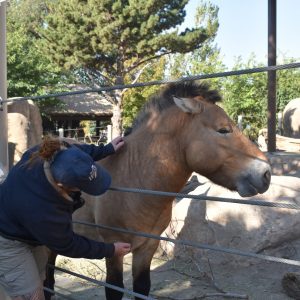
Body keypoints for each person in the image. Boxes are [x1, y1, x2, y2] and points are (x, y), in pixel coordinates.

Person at [0, 135, 131, 300]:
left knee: (40, 279)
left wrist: (106, 149)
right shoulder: (43, 210)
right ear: (62, 185)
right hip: (6, 240)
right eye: (83, 187)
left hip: (25, 228)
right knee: (30, 295)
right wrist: (111, 250)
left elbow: (79, 155)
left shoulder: (53, 153)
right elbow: (69, 245)